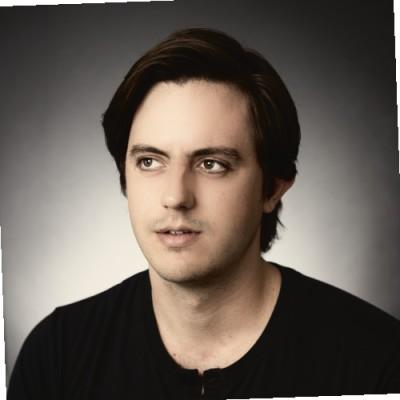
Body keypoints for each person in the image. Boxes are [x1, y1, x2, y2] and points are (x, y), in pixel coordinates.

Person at [8, 27, 400, 399]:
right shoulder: (57, 356)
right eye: (149, 161)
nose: (176, 196)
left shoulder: (377, 360)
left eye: (212, 164)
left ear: (272, 188)